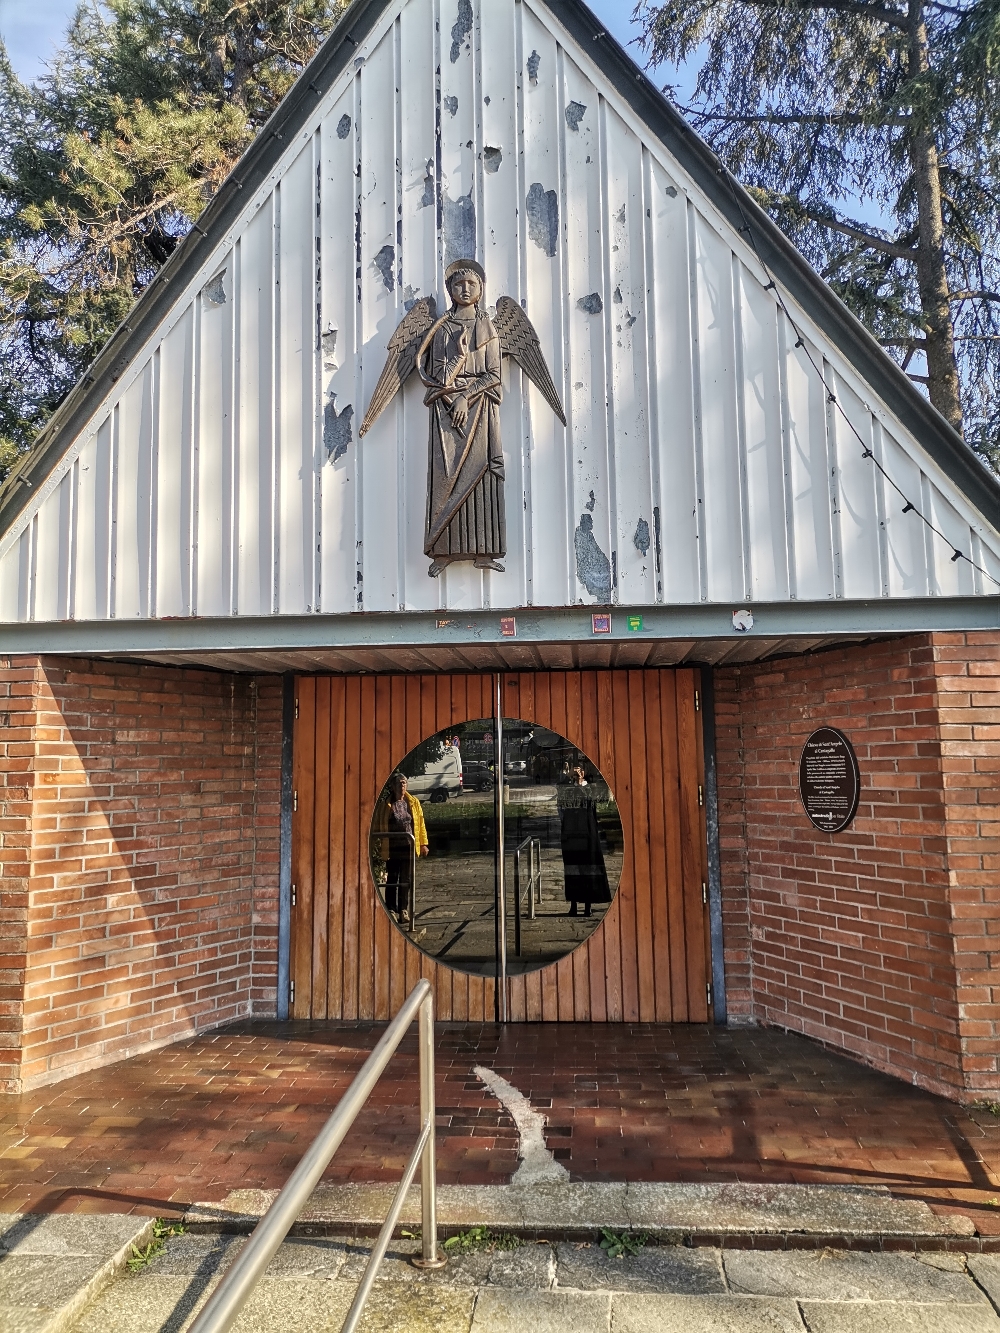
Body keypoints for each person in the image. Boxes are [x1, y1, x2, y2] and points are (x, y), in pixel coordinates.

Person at [416, 260, 505, 576]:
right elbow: (437, 374)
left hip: (479, 406)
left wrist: (466, 398)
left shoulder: (488, 327)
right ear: (449, 290)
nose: (465, 289)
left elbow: (494, 374)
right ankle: (442, 550)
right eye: (458, 285)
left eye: (471, 284)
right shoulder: (440, 330)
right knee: (444, 478)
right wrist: (457, 359)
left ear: (480, 290)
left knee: (482, 475)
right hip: (445, 408)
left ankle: (484, 549)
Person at [373, 773, 429, 923]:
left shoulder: (413, 802)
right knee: (392, 877)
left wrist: (423, 844)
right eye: (399, 783)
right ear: (392, 786)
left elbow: (420, 824)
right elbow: (378, 824)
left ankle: (403, 910)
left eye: (404, 783)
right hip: (391, 846)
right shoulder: (385, 804)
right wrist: (376, 844)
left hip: (408, 846)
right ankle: (391, 908)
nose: (402, 786)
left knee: (406, 878)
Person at [558, 766, 611, 917]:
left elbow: (591, 800)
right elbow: (561, 800)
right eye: (575, 772)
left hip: (588, 835)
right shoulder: (567, 789)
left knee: (588, 870)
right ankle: (573, 905)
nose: (577, 774)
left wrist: (581, 782)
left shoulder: (588, 789)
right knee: (573, 871)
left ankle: (588, 906)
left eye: (579, 771)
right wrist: (568, 778)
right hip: (572, 835)